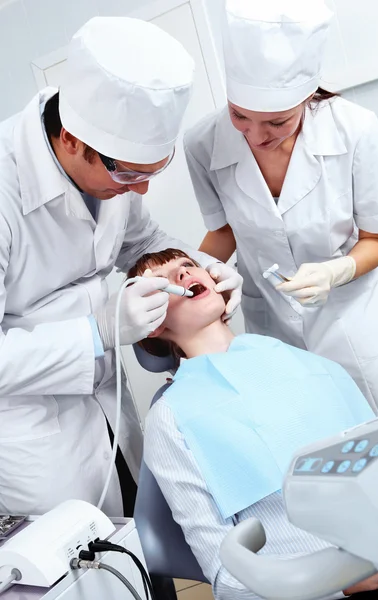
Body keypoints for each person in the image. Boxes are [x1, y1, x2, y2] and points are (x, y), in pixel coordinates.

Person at [0, 16, 242, 517]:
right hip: (29, 424)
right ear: (70, 139)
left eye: (154, 171)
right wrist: (100, 330)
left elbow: (146, 241)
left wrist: (204, 263)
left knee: (132, 532)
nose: (141, 190)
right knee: (79, 566)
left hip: (106, 397)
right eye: (129, 173)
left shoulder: (111, 175)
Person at [126, 248, 378, 600]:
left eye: (189, 266)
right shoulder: (172, 417)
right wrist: (354, 581)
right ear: (153, 323)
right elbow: (226, 578)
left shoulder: (304, 361)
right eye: (162, 283)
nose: (182, 275)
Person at [183, 0, 378, 416]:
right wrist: (192, 280)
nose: (256, 135)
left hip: (355, 323)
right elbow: (225, 230)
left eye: (277, 122)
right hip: (273, 325)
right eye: (239, 116)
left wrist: (335, 271)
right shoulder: (202, 144)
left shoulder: (355, 128)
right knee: (308, 444)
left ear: (306, 97)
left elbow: (377, 239)